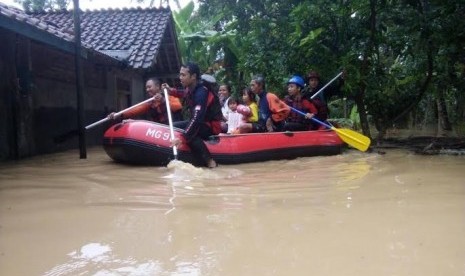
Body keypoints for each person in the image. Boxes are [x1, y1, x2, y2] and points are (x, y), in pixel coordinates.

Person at [163, 62, 223, 168]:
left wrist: (182, 138)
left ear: (193, 76)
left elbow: (197, 118)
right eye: (180, 74)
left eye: (183, 75)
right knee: (172, 125)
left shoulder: (201, 92)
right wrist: (170, 90)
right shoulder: (190, 88)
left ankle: (210, 162)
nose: (180, 77)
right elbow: (182, 93)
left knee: (191, 135)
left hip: (210, 125)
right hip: (200, 122)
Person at [107, 77, 183, 123]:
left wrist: (163, 100)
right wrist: (119, 114)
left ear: (157, 86)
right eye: (146, 88)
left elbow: (178, 107)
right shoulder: (150, 102)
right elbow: (135, 110)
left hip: (174, 127)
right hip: (159, 129)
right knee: (131, 121)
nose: (147, 90)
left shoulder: (168, 94)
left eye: (149, 87)